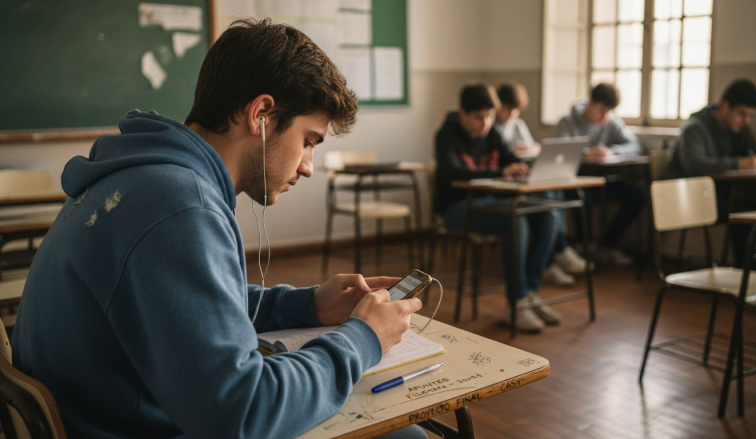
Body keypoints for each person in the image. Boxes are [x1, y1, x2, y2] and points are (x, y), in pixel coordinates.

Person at [12, 19, 426, 439]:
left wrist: (306, 307)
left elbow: (183, 309)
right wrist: (363, 338)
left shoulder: (144, 178)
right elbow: (242, 414)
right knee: (405, 436)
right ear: (261, 114)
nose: (308, 166)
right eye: (309, 141)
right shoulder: (179, 206)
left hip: (106, 415)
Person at [435, 83, 561, 334]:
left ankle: (530, 294)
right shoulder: (446, 134)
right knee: (516, 220)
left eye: (490, 116)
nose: (485, 123)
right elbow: (452, 173)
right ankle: (516, 303)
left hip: (491, 203)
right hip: (458, 209)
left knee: (549, 215)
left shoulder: (493, 134)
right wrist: (499, 171)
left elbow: (510, 160)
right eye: (478, 117)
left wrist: (521, 167)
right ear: (462, 113)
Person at [495, 82, 587, 287]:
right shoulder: (490, 125)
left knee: (553, 194)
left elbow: (533, 147)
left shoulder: (517, 124)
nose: (512, 114)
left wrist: (530, 149)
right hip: (507, 185)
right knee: (547, 203)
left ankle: (555, 256)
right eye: (508, 108)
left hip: (525, 173)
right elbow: (503, 157)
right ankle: (559, 251)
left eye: (516, 109)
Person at [667, 78, 756, 265]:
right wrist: (738, 164)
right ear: (725, 106)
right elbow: (695, 165)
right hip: (690, 196)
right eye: (742, 114)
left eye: (751, 116)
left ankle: (755, 277)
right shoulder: (695, 128)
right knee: (743, 212)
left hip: (721, 194)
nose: (746, 121)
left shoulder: (739, 128)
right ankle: (748, 277)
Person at [557, 82, 646, 267]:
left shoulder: (611, 122)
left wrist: (612, 151)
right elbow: (560, 153)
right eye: (602, 110)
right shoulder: (567, 122)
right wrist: (586, 153)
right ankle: (585, 247)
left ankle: (606, 244)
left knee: (637, 197)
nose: (605, 116)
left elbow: (635, 145)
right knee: (583, 197)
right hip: (576, 179)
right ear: (590, 102)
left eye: (609, 111)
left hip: (603, 179)